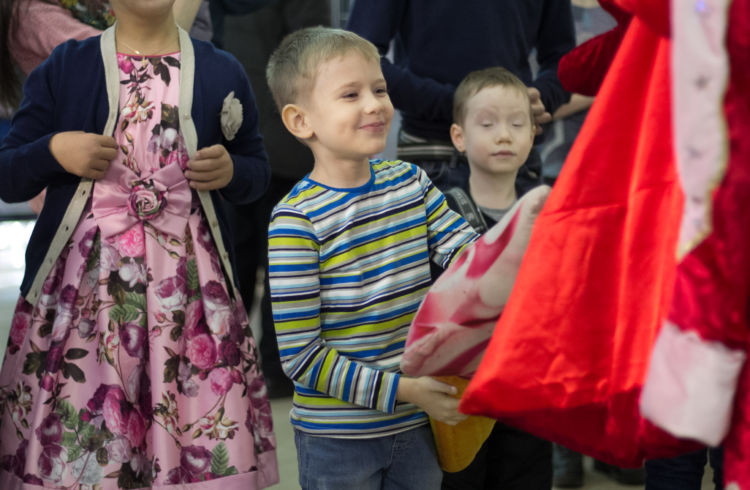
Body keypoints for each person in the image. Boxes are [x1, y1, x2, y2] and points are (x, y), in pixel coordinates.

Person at [0, 0, 279, 488]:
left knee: (192, 417)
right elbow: (9, 175)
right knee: (92, 432)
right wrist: (53, 151)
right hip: (87, 297)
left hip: (190, 298)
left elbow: (257, 169)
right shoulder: (65, 67)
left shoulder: (220, 68)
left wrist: (234, 172)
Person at [265, 26, 478, 489]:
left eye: (379, 88)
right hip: (338, 438)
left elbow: (469, 257)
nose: (374, 104)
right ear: (301, 121)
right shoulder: (295, 222)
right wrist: (406, 391)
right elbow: (301, 357)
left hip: (417, 426)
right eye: (350, 94)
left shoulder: (410, 182)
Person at [437, 66, 551, 489]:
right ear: (459, 136)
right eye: (487, 124)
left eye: (517, 124)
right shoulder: (441, 211)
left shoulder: (547, 208)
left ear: (532, 134)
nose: (504, 135)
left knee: (528, 473)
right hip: (461, 390)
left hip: (529, 386)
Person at [346, 0, 576, 192]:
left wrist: (541, 96)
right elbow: (357, 57)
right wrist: (458, 104)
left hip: (515, 157)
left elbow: (566, 61)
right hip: (435, 153)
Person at [219, 0, 329, 398]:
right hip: (267, 140)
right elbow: (312, 53)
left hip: (247, 138)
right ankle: (265, 369)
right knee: (266, 262)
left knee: (247, 259)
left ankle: (236, 365)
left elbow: (310, 53)